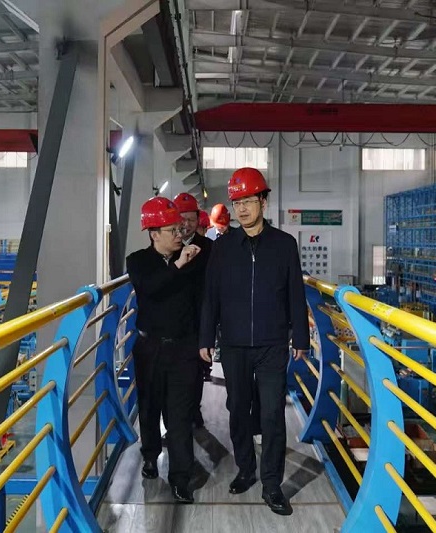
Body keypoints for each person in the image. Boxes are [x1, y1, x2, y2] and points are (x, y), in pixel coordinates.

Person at [199, 168, 309, 516]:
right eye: (237, 203)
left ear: (263, 201)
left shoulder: (284, 245)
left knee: (273, 413)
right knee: (238, 410)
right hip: (233, 344)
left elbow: (295, 293)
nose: (242, 209)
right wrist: (206, 337)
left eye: (248, 200)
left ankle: (272, 484)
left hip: (272, 343)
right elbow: (211, 295)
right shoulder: (223, 247)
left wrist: (301, 336)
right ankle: (246, 469)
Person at [126, 196, 204, 504]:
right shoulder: (137, 261)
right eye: (172, 230)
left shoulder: (192, 261)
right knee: (149, 406)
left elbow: (200, 302)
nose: (178, 235)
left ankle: (181, 478)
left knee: (180, 414)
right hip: (149, 348)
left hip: (183, 348)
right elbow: (149, 288)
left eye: (179, 229)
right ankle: (150, 455)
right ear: (154, 234)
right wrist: (179, 265)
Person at [173, 193, 213, 424]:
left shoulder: (209, 248)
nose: (186, 224)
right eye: (182, 219)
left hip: (199, 319)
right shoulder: (168, 247)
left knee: (197, 369)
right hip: (173, 321)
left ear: (198, 220)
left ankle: (194, 411)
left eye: (191, 219)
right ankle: (176, 419)